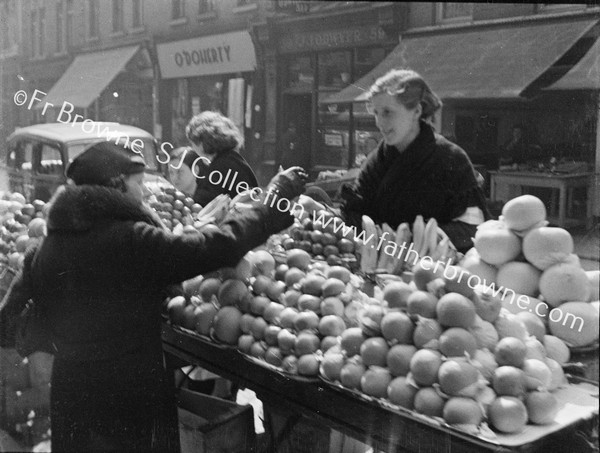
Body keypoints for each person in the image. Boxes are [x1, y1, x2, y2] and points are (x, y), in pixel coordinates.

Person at [0, 140, 307, 452]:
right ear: (116, 186)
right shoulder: (131, 240)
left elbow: (6, 324)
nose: (145, 193)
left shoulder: (45, 248)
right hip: (127, 396)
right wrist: (272, 203)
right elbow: (213, 247)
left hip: (71, 394)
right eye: (139, 183)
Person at [309, 69, 490, 253]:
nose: (379, 122)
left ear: (416, 111)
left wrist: (410, 239)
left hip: (436, 269)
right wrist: (322, 212)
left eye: (387, 112)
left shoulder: (452, 158)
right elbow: (355, 215)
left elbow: (472, 228)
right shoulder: (376, 161)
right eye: (376, 113)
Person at [185, 111, 258, 206]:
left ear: (201, 141)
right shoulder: (235, 160)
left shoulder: (218, 168)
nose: (193, 148)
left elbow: (201, 205)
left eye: (192, 142)